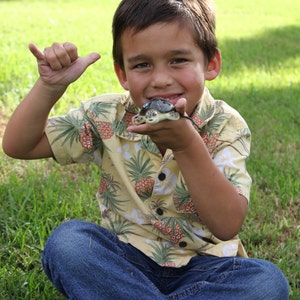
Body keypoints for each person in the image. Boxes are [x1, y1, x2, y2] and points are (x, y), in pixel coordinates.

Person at [3, 0, 289, 299]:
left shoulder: (225, 124)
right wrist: (50, 86)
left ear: (211, 64)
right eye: (142, 65)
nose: (161, 79)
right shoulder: (105, 116)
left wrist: (187, 144)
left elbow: (227, 224)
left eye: (178, 60)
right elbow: (19, 145)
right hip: (126, 261)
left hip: (206, 266)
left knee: (266, 282)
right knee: (69, 243)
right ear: (122, 73)